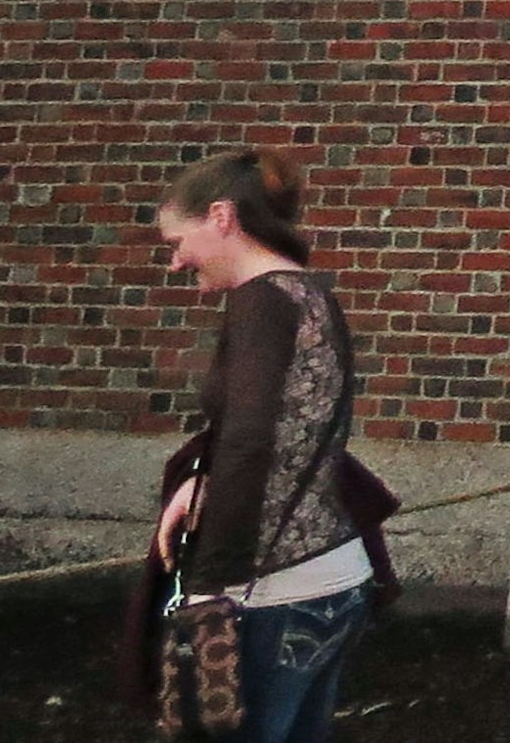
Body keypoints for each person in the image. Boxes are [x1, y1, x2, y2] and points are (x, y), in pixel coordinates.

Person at [150, 147, 371, 743]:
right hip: (334, 579)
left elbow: (251, 444)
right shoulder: (310, 295)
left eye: (178, 240)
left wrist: (205, 586)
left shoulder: (261, 303)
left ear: (222, 217)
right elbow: (285, 433)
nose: (176, 262)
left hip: (272, 594)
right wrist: (203, 478)